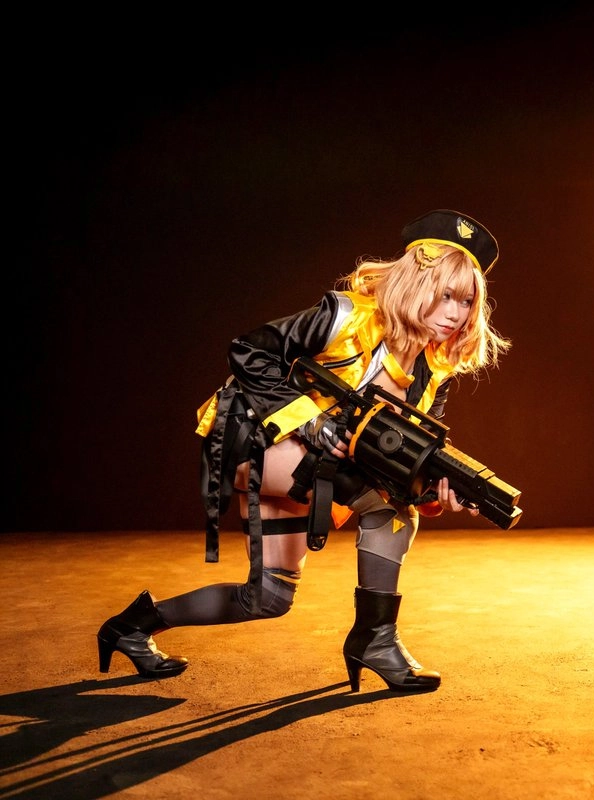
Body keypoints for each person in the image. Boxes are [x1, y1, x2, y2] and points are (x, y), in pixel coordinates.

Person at [97, 209, 511, 695]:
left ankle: (132, 626)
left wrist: (434, 491)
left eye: (466, 300)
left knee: (267, 597)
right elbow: (247, 351)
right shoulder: (345, 318)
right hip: (249, 437)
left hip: (309, 465)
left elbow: (400, 458)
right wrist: (310, 421)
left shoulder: (433, 371)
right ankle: (376, 641)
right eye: (445, 294)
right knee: (386, 510)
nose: (456, 312)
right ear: (413, 282)